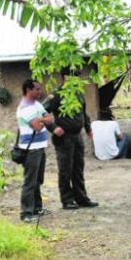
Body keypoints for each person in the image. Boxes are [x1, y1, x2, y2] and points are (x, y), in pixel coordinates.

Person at [48, 68, 99, 209]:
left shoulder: (78, 93)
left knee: (78, 168)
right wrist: (53, 127)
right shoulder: (57, 94)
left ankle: (81, 198)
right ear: (65, 77)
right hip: (64, 137)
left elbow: (83, 113)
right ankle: (67, 200)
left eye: (77, 77)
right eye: (73, 76)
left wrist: (88, 128)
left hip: (77, 136)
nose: (76, 79)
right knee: (65, 169)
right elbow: (42, 112)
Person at [17, 79, 54, 223]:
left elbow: (48, 119)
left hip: (40, 147)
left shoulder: (37, 105)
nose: (40, 91)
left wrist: (41, 120)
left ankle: (37, 208)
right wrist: (43, 120)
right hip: (31, 149)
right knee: (30, 181)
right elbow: (37, 126)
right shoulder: (25, 108)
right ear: (28, 90)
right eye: (37, 89)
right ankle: (25, 212)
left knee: (38, 180)